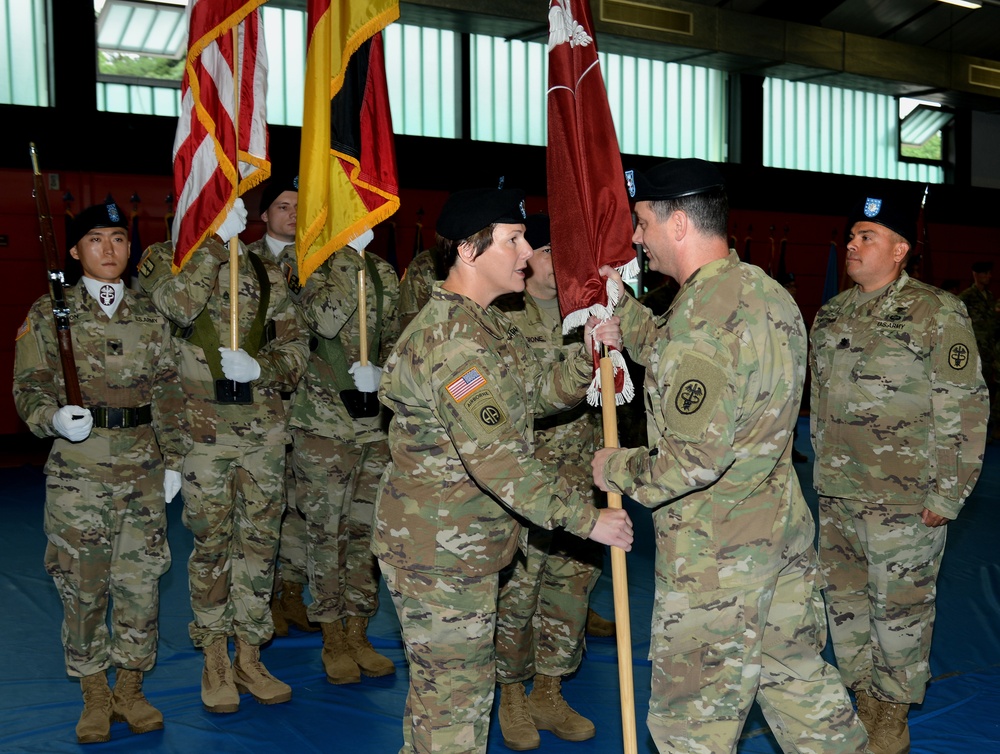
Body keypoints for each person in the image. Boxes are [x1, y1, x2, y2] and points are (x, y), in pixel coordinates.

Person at [592, 159, 868, 754]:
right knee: (800, 687)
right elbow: (691, 358)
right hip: (780, 532)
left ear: (681, 223)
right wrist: (625, 318)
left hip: (715, 557)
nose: (636, 238)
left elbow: (691, 462)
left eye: (642, 223)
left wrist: (612, 465)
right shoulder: (765, 293)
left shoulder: (701, 323)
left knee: (693, 723)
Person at [373, 186, 633, 754]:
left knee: (445, 704)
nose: (526, 251)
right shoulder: (452, 344)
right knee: (454, 715)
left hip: (461, 543)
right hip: (440, 553)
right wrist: (585, 521)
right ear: (469, 252)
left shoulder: (483, 325)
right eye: (513, 240)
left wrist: (586, 357)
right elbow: (499, 460)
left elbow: (531, 386)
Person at [810, 192, 988, 754]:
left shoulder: (938, 312)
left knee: (900, 606)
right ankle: (861, 691)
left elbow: (964, 404)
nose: (853, 245)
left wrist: (949, 491)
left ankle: (891, 708)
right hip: (838, 490)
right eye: (853, 235)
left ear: (902, 248)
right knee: (845, 601)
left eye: (868, 236)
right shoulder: (834, 312)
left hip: (905, 496)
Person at [13, 202, 184, 743]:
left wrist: (175, 458)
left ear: (130, 248)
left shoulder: (151, 315)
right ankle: (93, 693)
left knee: (140, 584)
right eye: (95, 239)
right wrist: (52, 418)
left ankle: (130, 689)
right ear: (74, 251)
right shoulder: (49, 313)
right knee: (82, 585)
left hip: (141, 468)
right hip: (78, 472)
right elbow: (29, 386)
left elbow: (169, 391)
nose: (108, 250)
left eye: (117, 238)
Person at [139, 198, 309, 714]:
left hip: (260, 433)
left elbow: (296, 345)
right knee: (211, 545)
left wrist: (263, 368)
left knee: (260, 544)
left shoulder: (264, 270)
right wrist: (212, 246)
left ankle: (250, 654)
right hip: (198, 432)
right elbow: (177, 310)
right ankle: (214, 656)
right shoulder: (165, 258)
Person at [493, 213, 609, 750]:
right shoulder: (500, 318)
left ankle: (549, 687)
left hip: (580, 477)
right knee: (518, 591)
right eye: (548, 250)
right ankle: (512, 692)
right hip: (527, 485)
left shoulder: (584, 314)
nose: (561, 263)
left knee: (570, 589)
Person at [277, 219, 401, 685]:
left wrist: (385, 376)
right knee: (325, 533)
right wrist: (350, 258)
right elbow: (323, 320)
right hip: (322, 424)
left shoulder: (385, 272)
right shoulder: (301, 262)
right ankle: (331, 633)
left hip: (374, 425)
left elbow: (395, 339)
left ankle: (358, 629)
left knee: (366, 532)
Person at [246, 175, 318, 635]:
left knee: (301, 501)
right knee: (263, 502)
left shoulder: (320, 261)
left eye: (298, 207)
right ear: (264, 215)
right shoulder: (243, 262)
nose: (292, 215)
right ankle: (263, 594)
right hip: (257, 402)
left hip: (312, 398)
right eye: (282, 207)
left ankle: (291, 592)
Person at [959, 260, 1000, 440]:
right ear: (976, 274)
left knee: (988, 390)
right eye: (985, 273)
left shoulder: (990, 297)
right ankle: (967, 428)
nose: (989, 277)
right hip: (973, 352)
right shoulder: (966, 297)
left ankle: (985, 427)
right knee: (971, 391)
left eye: (990, 273)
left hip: (990, 352)